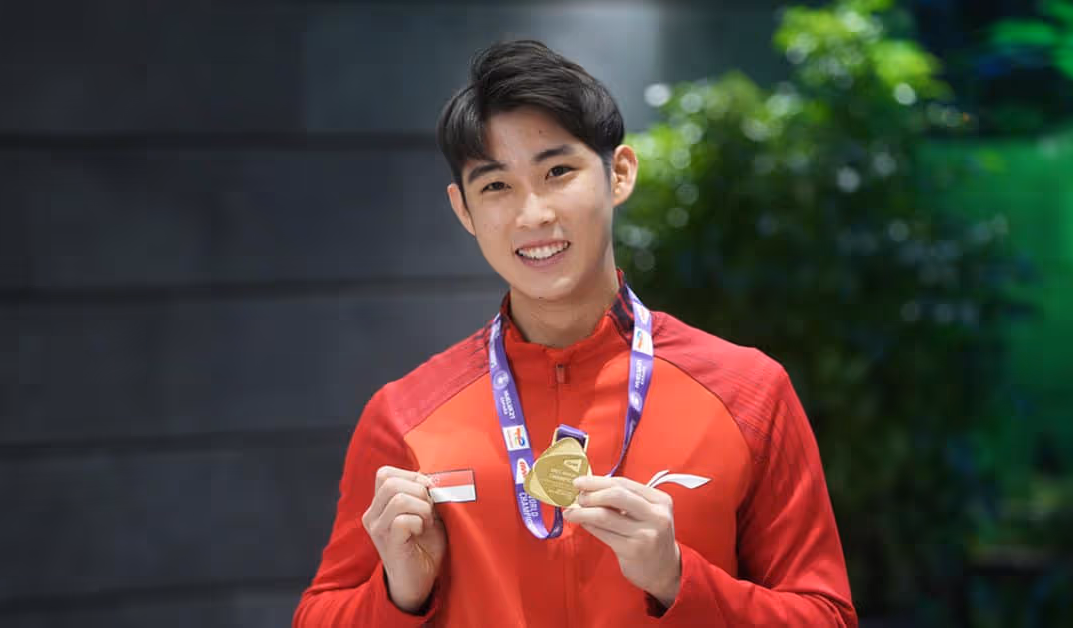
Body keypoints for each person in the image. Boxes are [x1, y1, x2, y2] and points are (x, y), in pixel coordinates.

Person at [293, 39, 856, 627]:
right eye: (496, 186)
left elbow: (826, 617)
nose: (533, 214)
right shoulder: (404, 416)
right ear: (464, 211)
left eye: (557, 172)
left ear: (619, 173)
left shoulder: (749, 393)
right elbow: (319, 615)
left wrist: (678, 581)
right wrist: (396, 594)